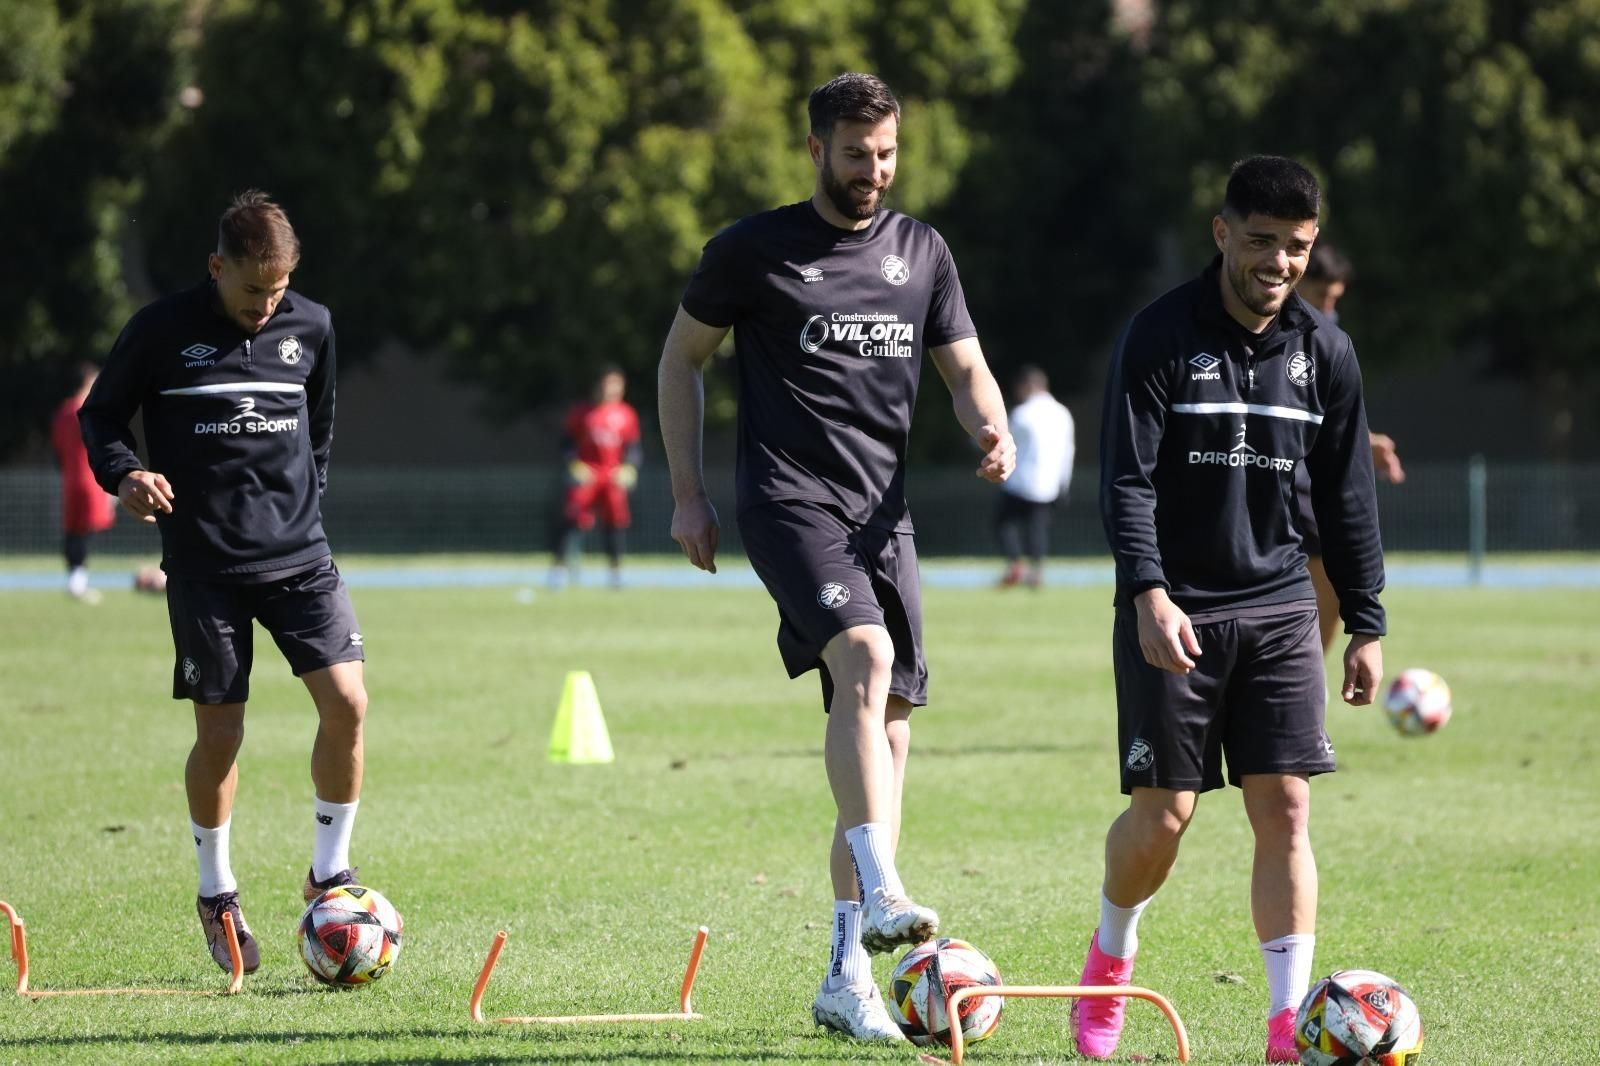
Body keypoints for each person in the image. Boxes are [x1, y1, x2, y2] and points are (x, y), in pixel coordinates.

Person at [657, 73, 1015, 1043]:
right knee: (863, 656)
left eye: (887, 154)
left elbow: (966, 366)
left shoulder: (921, 252)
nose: (874, 171)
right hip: (787, 501)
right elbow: (679, 359)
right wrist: (688, 492)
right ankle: (888, 883)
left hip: (880, 517)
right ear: (814, 149)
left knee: (884, 743)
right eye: (856, 154)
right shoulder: (750, 251)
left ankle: (843, 971)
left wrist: (991, 428)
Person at [1085, 156, 1386, 1062]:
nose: (1279, 264)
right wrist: (1146, 593)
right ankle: (1111, 953)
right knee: (1164, 817)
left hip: (1282, 607)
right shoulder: (1159, 336)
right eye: (1261, 243)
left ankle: (1287, 1024)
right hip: (1174, 607)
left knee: (1286, 807)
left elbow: (1348, 498)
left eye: (1295, 248)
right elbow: (1127, 482)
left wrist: (1365, 621)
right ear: (1223, 233)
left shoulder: (1325, 350)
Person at [80, 190, 368, 977]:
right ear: (217, 268)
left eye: (277, 291)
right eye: (251, 292)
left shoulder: (312, 324)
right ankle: (217, 892)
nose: (265, 307)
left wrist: (305, 505)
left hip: (301, 556)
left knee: (348, 702)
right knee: (221, 735)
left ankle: (330, 874)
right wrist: (127, 474)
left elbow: (321, 427)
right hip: (205, 567)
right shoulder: (161, 331)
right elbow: (101, 417)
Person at [1295, 243, 1406, 651]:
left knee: (1332, 578)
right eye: (1322, 294)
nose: (1328, 305)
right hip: (1286, 475)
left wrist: (1364, 440)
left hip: (1310, 474)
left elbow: (1326, 415)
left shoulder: (1326, 338)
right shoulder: (1278, 332)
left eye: (1335, 298)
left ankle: (1309, 675)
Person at [549, 365, 641, 589]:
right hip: (587, 474)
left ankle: (616, 574)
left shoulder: (626, 414)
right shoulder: (582, 413)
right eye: (608, 383)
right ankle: (557, 572)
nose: (612, 389)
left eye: (617, 384)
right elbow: (566, 443)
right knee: (571, 520)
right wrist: (574, 465)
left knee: (615, 523)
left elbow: (634, 447)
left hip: (612, 476)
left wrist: (630, 468)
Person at [994, 365, 1074, 588]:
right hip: (1049, 484)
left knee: (1004, 522)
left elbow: (1005, 440)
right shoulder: (1063, 414)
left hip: (1020, 482)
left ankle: (1015, 562)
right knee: (1037, 529)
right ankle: (1037, 571)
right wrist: (1063, 484)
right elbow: (1068, 451)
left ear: (1028, 386)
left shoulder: (1023, 413)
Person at [51, 363, 117, 603]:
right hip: (91, 479)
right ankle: (78, 583)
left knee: (72, 530)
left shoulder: (63, 412)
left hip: (69, 479)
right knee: (85, 532)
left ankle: (74, 580)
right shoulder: (87, 410)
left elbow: (57, 449)